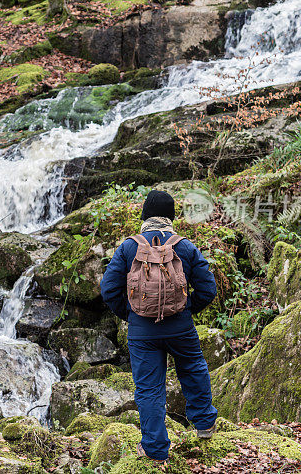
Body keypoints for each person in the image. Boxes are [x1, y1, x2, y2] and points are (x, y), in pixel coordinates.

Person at [99, 190, 219, 466]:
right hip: (180, 327)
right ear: (171, 216)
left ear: (144, 216)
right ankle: (203, 424)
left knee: (149, 388)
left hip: (143, 332)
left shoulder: (129, 247)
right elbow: (208, 288)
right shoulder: (184, 246)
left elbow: (108, 289)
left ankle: (155, 449)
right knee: (193, 368)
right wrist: (187, 310)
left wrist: (131, 314)